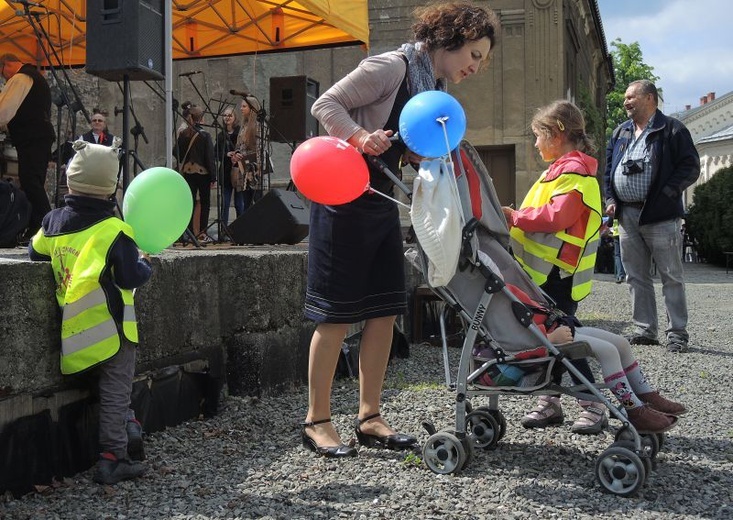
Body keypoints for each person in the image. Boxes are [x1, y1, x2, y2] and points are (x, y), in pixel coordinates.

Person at [303, 1, 501, 458]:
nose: (477, 66)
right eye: (474, 54)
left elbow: (404, 139)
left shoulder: (433, 84)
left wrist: (410, 155)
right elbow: (325, 103)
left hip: (380, 202)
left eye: (483, 60)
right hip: (340, 200)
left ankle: (369, 417)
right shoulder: (392, 67)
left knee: (385, 310)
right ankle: (317, 420)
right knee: (335, 316)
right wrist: (358, 136)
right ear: (451, 39)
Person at [28, 139, 152, 485]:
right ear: (111, 188)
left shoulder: (52, 223)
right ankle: (114, 456)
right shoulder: (115, 230)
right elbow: (130, 276)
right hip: (112, 331)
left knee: (111, 387)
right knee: (116, 388)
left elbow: (34, 252)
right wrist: (146, 266)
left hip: (74, 331)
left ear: (70, 180)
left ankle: (127, 425)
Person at [501, 100, 605, 435]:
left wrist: (514, 217)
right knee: (549, 338)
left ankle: (592, 404)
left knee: (561, 340)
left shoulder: (574, 173)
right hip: (548, 275)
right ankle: (549, 401)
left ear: (556, 134)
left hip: (557, 276)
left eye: (537, 136)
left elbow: (555, 217)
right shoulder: (562, 170)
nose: (534, 144)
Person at [506, 281, 686, 434]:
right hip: (545, 338)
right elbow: (511, 339)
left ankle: (646, 396)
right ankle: (634, 409)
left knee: (621, 343)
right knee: (608, 351)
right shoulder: (492, 296)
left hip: (553, 326)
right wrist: (548, 338)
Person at [603, 80, 700, 353]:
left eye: (631, 97)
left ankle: (677, 332)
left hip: (660, 214)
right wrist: (610, 199)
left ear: (649, 98)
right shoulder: (620, 132)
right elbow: (608, 170)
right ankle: (645, 329)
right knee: (635, 275)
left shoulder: (672, 129)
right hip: (627, 215)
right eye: (625, 98)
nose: (625, 102)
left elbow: (690, 167)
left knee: (671, 275)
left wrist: (668, 192)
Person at [0, 53, 55, 238]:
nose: (4, 78)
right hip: (39, 136)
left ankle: (48, 225)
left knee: (30, 181)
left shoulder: (21, 78)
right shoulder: (33, 77)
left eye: (2, 72)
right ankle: (35, 227)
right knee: (34, 181)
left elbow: (4, 111)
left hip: (33, 137)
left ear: (7, 65)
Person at [174, 105, 216, 241]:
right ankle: (202, 232)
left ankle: (189, 232)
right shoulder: (205, 135)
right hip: (203, 173)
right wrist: (213, 177)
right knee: (205, 203)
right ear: (201, 119)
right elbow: (210, 157)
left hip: (188, 172)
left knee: (189, 202)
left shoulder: (183, 134)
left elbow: (176, 152)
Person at [230, 96, 262, 213]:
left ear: (252, 108)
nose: (241, 108)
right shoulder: (243, 127)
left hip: (255, 171)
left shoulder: (258, 126)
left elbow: (260, 149)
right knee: (246, 204)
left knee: (257, 204)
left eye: (244, 106)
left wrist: (258, 167)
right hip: (243, 171)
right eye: (241, 106)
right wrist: (236, 154)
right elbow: (239, 147)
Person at [215, 106, 243, 226]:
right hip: (226, 172)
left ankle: (241, 228)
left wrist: (237, 154)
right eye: (225, 115)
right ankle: (224, 229)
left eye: (230, 115)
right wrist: (226, 154)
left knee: (239, 203)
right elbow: (215, 152)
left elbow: (245, 149)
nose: (227, 118)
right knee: (225, 203)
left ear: (235, 118)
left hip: (239, 171)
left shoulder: (240, 133)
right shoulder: (221, 135)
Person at [610, 218, 625, 283]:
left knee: (617, 255)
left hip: (617, 234)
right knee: (626, 254)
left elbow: (609, 223)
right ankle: (628, 274)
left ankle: (620, 275)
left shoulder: (615, 209)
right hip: (626, 233)